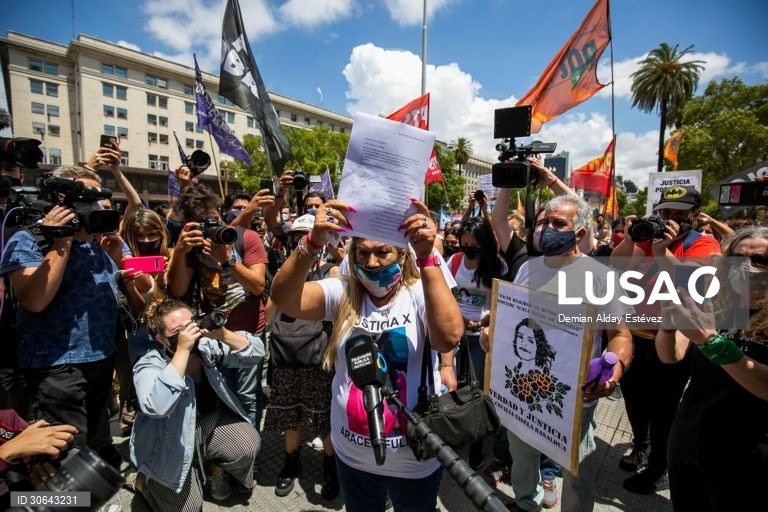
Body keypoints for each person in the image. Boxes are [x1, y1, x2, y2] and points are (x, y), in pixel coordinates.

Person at [270, 199, 463, 512]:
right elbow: (283, 299)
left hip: (413, 459)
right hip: (353, 457)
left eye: (382, 252)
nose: (372, 262)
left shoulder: (417, 293)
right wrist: (312, 241)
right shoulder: (342, 293)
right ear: (353, 255)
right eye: (363, 253)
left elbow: (449, 337)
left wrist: (428, 257)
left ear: (402, 254)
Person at [507, 194, 633, 512]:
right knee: (522, 457)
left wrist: (613, 371)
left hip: (575, 398)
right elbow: (512, 321)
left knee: (578, 472)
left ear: (579, 232)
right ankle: (526, 502)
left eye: (557, 223)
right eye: (542, 222)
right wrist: (492, 335)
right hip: (524, 391)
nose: (546, 228)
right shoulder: (526, 270)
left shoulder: (600, 277)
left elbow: (620, 335)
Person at [0, 165, 124, 469]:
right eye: (85, 198)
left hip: (101, 357)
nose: (94, 206)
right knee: (67, 452)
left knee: (98, 439)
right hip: (57, 366)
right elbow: (35, 300)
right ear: (61, 199)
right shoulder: (29, 240)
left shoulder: (100, 243)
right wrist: (62, 241)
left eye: (97, 199)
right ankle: (69, 502)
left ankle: (96, 495)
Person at [610, 185, 721, 494]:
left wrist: (663, 252)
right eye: (664, 212)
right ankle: (641, 446)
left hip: (673, 341)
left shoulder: (704, 243)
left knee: (664, 407)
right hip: (636, 334)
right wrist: (634, 239)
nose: (670, 218)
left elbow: (696, 284)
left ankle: (660, 467)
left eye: (679, 212)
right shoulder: (646, 239)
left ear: (695, 216)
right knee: (634, 396)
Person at [657, 226, 768, 511]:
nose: (745, 268)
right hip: (689, 439)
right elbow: (671, 356)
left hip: (747, 455)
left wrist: (712, 342)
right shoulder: (719, 303)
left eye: (760, 261)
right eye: (738, 258)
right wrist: (669, 326)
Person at [131, 298, 263, 509]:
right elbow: (156, 407)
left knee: (248, 445)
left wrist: (224, 335)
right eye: (178, 332)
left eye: (191, 325)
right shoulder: (149, 363)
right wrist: (182, 351)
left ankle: (211, 466)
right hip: (168, 443)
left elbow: (255, 354)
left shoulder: (207, 347)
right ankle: (147, 481)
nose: (188, 335)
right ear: (160, 338)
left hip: (206, 425)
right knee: (190, 508)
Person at [167, 183, 268, 429]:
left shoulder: (246, 238)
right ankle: (230, 447)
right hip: (214, 334)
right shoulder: (192, 248)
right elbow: (178, 289)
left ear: (221, 213)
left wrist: (228, 259)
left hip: (249, 332)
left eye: (213, 219)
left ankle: (249, 451)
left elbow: (257, 286)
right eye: (201, 223)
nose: (210, 227)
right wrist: (180, 251)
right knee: (222, 394)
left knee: (247, 395)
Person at [263, 214, 339, 500]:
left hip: (319, 359)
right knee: (289, 416)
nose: (301, 240)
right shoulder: (283, 272)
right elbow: (268, 319)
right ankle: (291, 462)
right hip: (285, 358)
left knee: (325, 419)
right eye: (296, 236)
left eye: (306, 235)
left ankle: (330, 468)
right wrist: (282, 291)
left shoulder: (330, 272)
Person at [445, 215, 507, 469]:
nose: (468, 250)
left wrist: (482, 324)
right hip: (455, 332)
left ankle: (478, 443)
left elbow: (502, 302)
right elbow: (446, 294)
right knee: (455, 385)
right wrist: (457, 320)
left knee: (478, 390)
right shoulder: (455, 261)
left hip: (480, 336)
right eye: (464, 244)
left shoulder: (498, 267)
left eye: (474, 245)